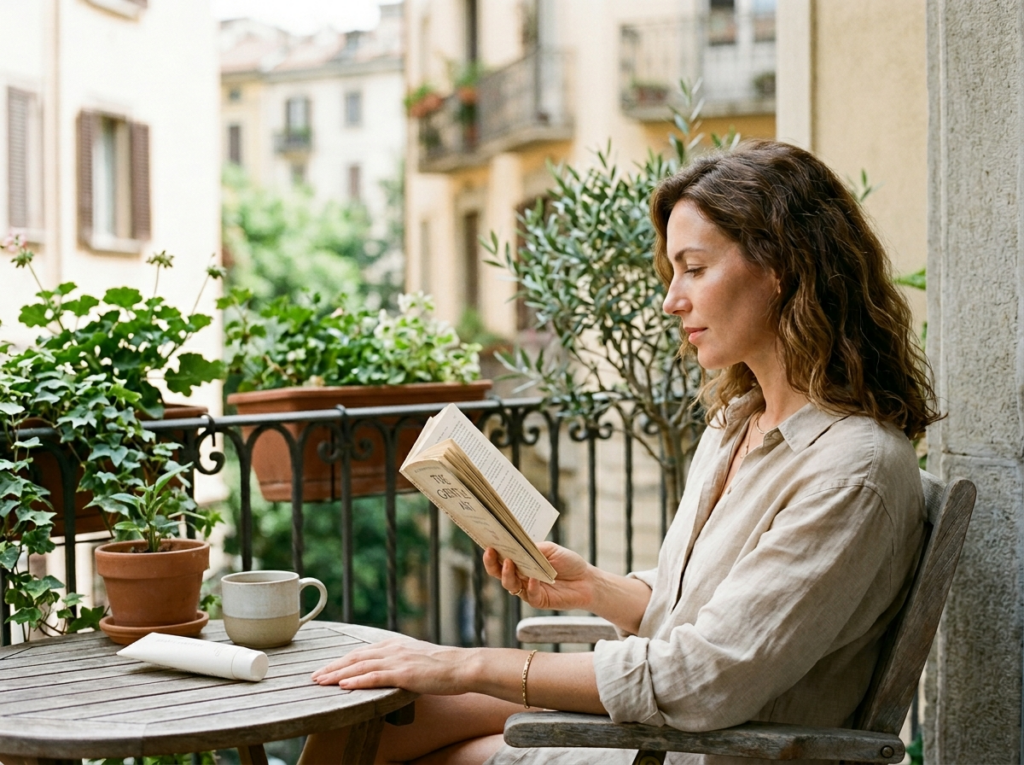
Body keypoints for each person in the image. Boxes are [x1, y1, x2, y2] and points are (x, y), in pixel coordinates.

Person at [297, 139, 940, 765]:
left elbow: (701, 678)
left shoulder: (850, 470)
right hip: (655, 733)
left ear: (780, 268)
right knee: (378, 716)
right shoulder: (737, 423)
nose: (671, 300)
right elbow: (710, 605)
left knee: (397, 732)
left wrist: (464, 662)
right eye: (672, 272)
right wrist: (595, 587)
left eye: (694, 268)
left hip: (699, 747)